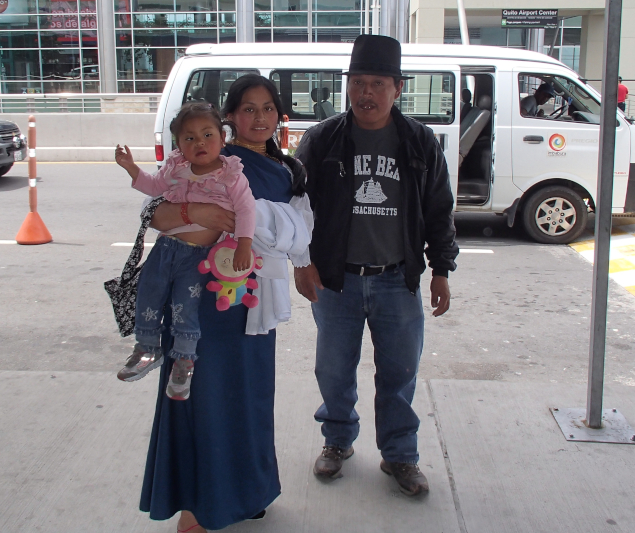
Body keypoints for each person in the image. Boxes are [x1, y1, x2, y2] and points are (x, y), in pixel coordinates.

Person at [138, 74, 311, 533]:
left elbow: (300, 234)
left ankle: (249, 492)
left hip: (252, 300)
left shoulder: (288, 170)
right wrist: (201, 214)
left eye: (268, 108)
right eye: (249, 109)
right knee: (199, 396)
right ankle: (195, 501)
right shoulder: (213, 159)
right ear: (230, 117)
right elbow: (153, 211)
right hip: (201, 299)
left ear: (279, 115)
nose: (260, 118)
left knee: (250, 396)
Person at [294, 35, 459, 497]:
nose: (366, 93)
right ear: (348, 86)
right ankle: (337, 441)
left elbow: (439, 209)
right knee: (333, 370)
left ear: (397, 88)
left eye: (377, 84)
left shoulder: (419, 142)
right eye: (358, 83)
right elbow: (296, 206)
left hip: (396, 281)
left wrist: (441, 268)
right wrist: (301, 262)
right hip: (335, 281)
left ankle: (400, 455)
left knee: (400, 372)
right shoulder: (323, 139)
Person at [115, 102, 256, 401]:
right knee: (148, 293)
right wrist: (131, 168)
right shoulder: (176, 167)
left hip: (198, 256)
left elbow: (246, 210)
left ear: (222, 137)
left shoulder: (231, 175)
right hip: (165, 248)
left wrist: (244, 243)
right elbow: (154, 188)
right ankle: (146, 349)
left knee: (184, 306)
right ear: (179, 144)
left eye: (207, 134)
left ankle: (184, 361)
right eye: (189, 138)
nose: (199, 143)